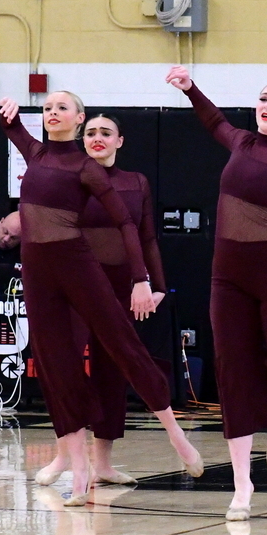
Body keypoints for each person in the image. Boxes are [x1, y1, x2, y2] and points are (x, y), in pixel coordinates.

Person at [0, 91, 201, 506]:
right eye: (48, 108)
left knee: (123, 349)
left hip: (81, 268)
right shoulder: (36, 154)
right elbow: (11, 128)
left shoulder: (89, 168)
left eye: (62, 108)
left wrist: (144, 280)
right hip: (39, 273)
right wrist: (7, 112)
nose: (53, 112)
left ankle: (176, 436)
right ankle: (77, 468)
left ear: (78, 118)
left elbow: (129, 225)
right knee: (55, 364)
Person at [165, 67, 267, 522]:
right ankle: (242, 485)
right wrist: (190, 88)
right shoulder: (241, 142)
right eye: (263, 98)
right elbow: (214, 121)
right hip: (227, 277)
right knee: (232, 370)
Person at [74, 114, 169, 486]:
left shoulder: (135, 182)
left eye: (105, 132)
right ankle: (68, 458)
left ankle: (103, 464)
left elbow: (147, 237)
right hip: (75, 281)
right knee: (66, 366)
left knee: (111, 371)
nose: (97, 137)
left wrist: (155, 284)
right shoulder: (71, 179)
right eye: (90, 132)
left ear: (120, 141)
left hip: (119, 286)